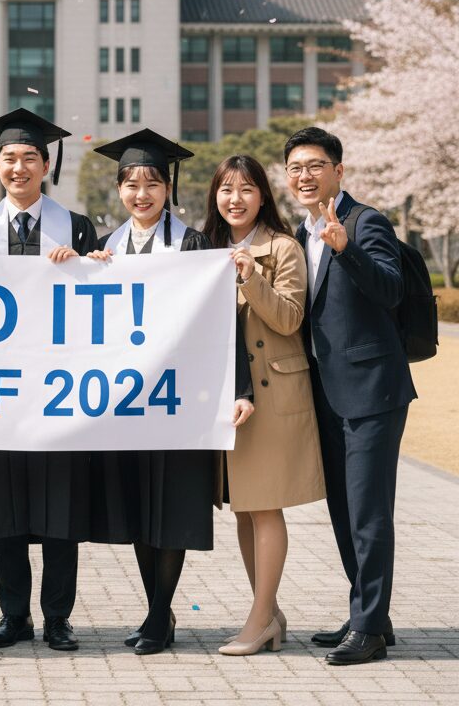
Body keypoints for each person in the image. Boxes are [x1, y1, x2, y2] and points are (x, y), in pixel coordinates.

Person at [86, 129, 254, 655]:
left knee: (172, 505)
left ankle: (159, 616)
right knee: (139, 506)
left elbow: (222, 320)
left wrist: (240, 388)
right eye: (132, 184)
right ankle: (158, 611)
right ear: (118, 190)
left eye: (153, 183)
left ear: (168, 189)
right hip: (126, 401)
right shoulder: (106, 250)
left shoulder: (193, 243)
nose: (142, 193)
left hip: (181, 399)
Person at [0, 108, 96, 652]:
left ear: (46, 166)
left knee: (60, 512)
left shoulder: (77, 226)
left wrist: (87, 264)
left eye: (30, 158)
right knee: (6, 510)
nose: (20, 167)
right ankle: (12, 617)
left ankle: (58, 619)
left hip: (59, 394)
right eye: (9, 158)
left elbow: (102, 303)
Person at [284, 126, 415, 666]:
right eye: (295, 168)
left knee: (367, 511)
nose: (305, 176)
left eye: (316, 165)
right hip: (326, 393)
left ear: (339, 171)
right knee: (343, 508)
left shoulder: (364, 222)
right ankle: (370, 613)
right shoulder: (302, 230)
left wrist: (347, 249)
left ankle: (369, 629)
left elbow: (391, 289)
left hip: (371, 392)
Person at [201, 155, 325, 656]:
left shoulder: (283, 248)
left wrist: (252, 275)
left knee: (265, 506)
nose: (236, 199)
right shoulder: (203, 248)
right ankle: (269, 613)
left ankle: (258, 619)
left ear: (263, 197)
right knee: (243, 509)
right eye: (227, 190)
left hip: (272, 395)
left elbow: (290, 320)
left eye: (247, 189)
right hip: (225, 399)